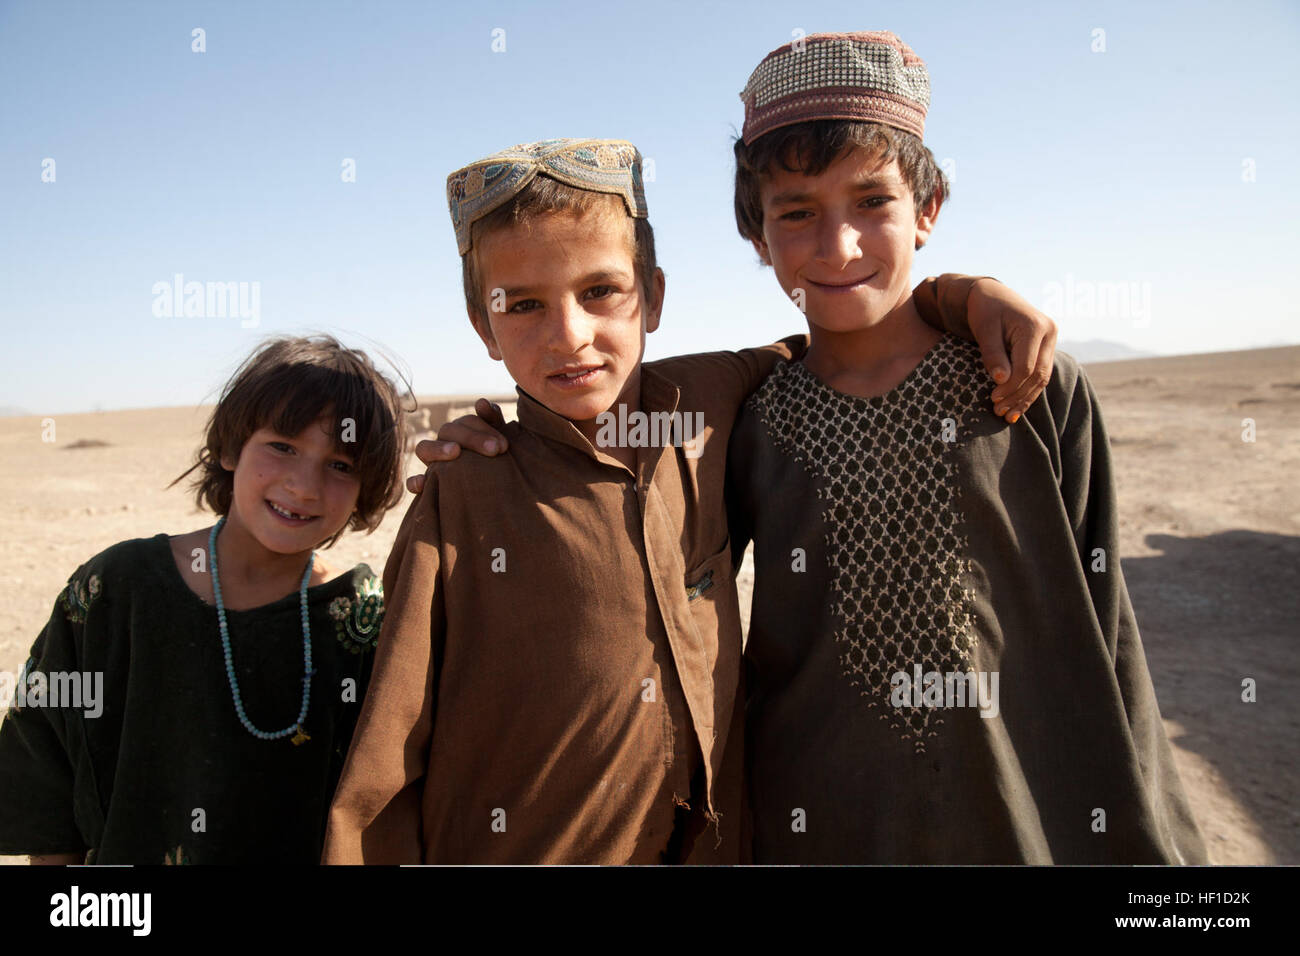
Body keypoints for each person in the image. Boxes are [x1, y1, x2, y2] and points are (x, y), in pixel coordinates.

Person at [335, 138, 1057, 864]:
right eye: (523, 305)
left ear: (652, 296)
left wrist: (957, 294)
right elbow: (381, 772)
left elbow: (839, 337)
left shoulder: (707, 403)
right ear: (482, 326)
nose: (570, 335)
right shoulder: (465, 494)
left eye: (600, 292)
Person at [725, 30, 1207, 863]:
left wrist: (1155, 845)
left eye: (873, 202)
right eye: (797, 212)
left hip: (1035, 819)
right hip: (827, 823)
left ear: (928, 212)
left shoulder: (1028, 383)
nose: (838, 246)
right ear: (757, 236)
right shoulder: (750, 425)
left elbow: (1109, 631)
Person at [0, 335, 407, 864]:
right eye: (282, 447)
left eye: (340, 465)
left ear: (365, 489)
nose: (304, 486)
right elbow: (44, 762)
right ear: (231, 447)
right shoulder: (118, 589)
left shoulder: (363, 618)